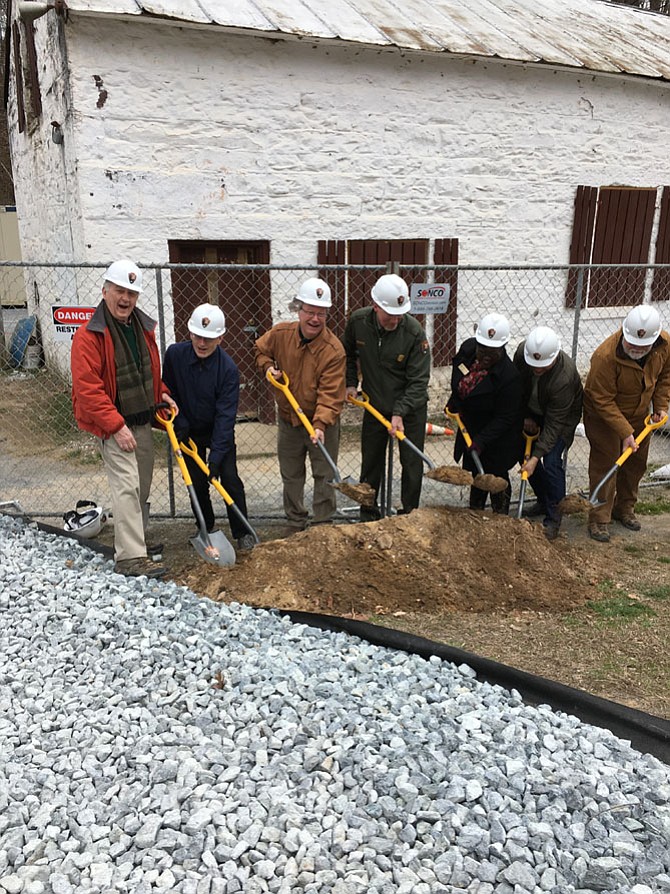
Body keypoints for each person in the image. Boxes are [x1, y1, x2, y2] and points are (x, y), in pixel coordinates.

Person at [70, 259, 178, 579]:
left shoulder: (141, 327)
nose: (125, 298)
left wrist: (163, 393)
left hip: (141, 417)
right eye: (119, 290)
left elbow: (149, 373)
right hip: (113, 422)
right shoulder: (89, 335)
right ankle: (130, 557)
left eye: (131, 292)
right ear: (105, 291)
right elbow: (88, 389)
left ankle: (138, 540)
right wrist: (116, 426)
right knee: (127, 486)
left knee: (141, 483)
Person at [162, 303, 255, 552]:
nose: (202, 343)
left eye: (210, 338)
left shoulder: (228, 370)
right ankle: (206, 527)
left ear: (221, 338)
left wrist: (215, 457)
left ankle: (243, 532)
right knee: (196, 482)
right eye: (198, 336)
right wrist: (179, 423)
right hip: (186, 430)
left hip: (217, 432)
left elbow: (226, 418)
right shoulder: (175, 355)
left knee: (230, 479)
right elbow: (167, 390)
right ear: (190, 333)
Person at [255, 277, 345, 530]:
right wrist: (268, 368)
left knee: (324, 474)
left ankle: (323, 525)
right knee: (291, 474)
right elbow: (260, 350)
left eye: (321, 313)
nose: (315, 319)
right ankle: (295, 522)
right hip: (288, 419)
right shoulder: (281, 334)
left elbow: (331, 394)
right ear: (299, 310)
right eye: (309, 312)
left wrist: (319, 424)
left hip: (322, 424)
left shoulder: (334, 350)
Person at [343, 273, 430, 520]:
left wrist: (400, 412)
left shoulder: (414, 334)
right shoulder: (359, 322)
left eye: (399, 313)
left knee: (411, 463)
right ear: (375, 306)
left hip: (410, 409)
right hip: (375, 404)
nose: (395, 319)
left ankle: (408, 515)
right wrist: (351, 383)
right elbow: (347, 353)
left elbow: (419, 381)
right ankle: (368, 513)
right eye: (389, 314)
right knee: (371, 461)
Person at [583, 305, 670, 543]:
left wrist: (660, 406)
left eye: (642, 347)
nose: (635, 349)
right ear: (624, 332)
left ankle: (624, 508)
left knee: (636, 463)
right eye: (632, 344)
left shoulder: (664, 345)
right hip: (604, 418)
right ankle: (599, 517)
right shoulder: (605, 357)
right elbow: (602, 400)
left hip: (640, 415)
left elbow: (665, 376)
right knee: (606, 464)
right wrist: (625, 433)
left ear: (653, 341)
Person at [447, 312, 523, 514]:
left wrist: (481, 441)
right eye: (483, 349)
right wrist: (454, 402)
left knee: (495, 476)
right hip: (471, 426)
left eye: (493, 351)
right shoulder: (468, 350)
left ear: (503, 347)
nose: (486, 355)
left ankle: (501, 519)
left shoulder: (509, 377)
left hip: (497, 437)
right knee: (476, 475)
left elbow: (505, 417)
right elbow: (458, 376)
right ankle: (476, 514)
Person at [513, 326, 584, 540]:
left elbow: (554, 424)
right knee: (520, 452)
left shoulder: (564, 376)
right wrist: (525, 418)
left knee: (551, 461)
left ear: (554, 357)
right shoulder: (522, 354)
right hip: (533, 411)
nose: (537, 369)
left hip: (562, 419)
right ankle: (544, 500)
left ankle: (554, 518)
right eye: (534, 365)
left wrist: (536, 457)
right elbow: (516, 389)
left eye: (543, 366)